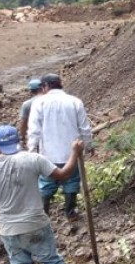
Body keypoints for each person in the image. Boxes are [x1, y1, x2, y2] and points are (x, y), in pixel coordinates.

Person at [0, 125, 83, 264]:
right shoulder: (33, 159)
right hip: (35, 223)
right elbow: (64, 175)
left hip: (8, 228)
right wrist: (74, 152)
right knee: (51, 259)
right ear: (19, 142)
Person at [26, 73, 93, 222]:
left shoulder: (39, 103)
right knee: (72, 182)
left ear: (45, 87)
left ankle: (43, 216)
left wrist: (31, 152)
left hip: (47, 154)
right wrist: (89, 145)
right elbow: (84, 128)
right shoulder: (75, 102)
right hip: (71, 153)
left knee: (45, 184)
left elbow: (34, 131)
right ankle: (70, 213)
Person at [18, 78, 43, 143]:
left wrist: (22, 137)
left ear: (30, 91)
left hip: (36, 136)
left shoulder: (27, 104)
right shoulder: (50, 101)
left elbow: (24, 123)